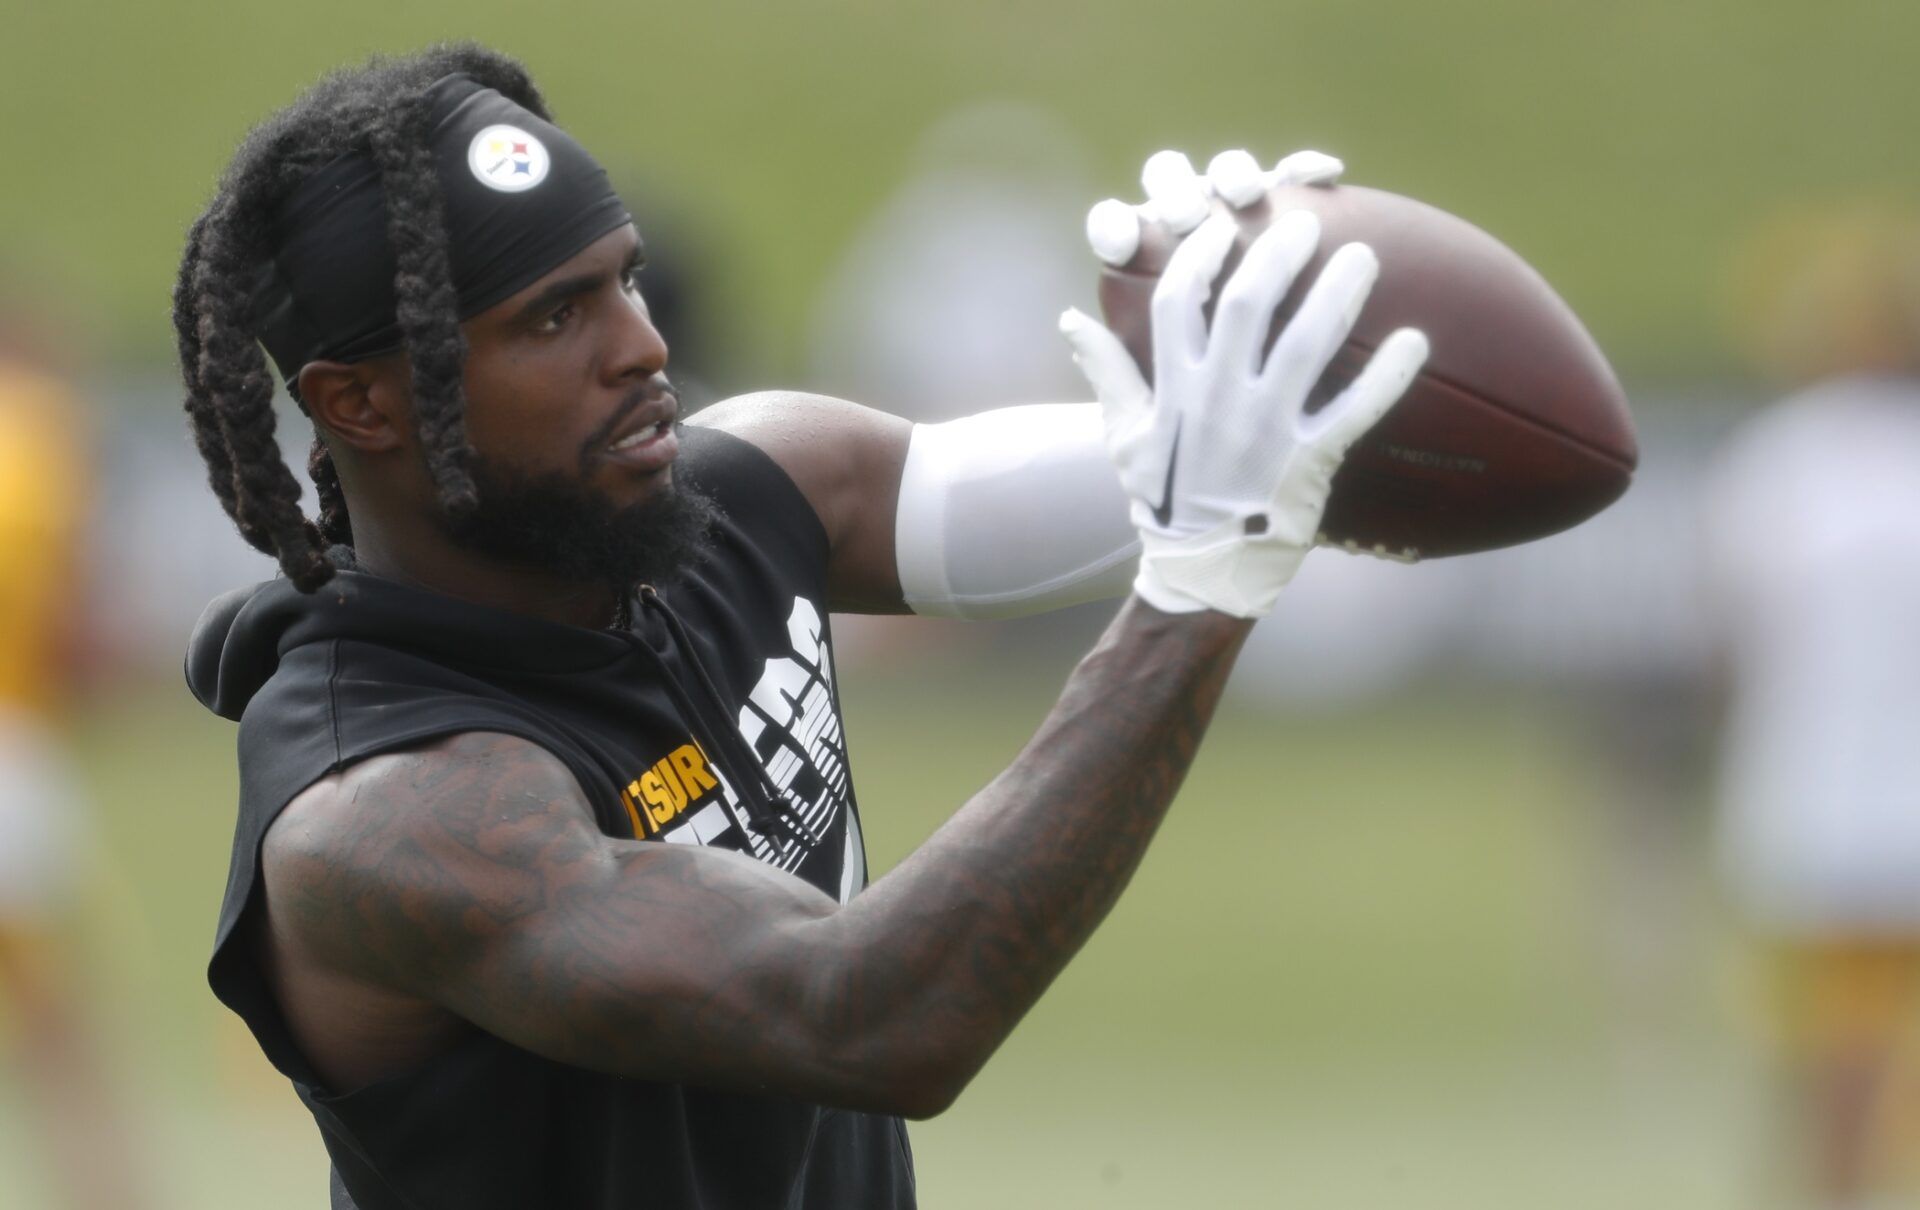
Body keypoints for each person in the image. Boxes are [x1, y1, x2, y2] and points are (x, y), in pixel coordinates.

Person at [175, 44, 1425, 1209]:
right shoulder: (392, 814)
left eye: (628, 279)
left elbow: (1180, 476)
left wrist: (1269, 321)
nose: (645, 346)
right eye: (553, 319)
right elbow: (870, 1018)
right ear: (362, 404)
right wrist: (1197, 593)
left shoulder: (751, 488)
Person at [1706, 202, 1920, 1210]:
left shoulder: (1781, 458)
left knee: (1833, 1051)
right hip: (1862, 792)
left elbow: (1730, 640)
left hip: (1819, 798)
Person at [0, 322, 150, 1209]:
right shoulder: (45, 430)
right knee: (60, 1023)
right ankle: (107, 1193)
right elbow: (76, 628)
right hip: (11, 745)